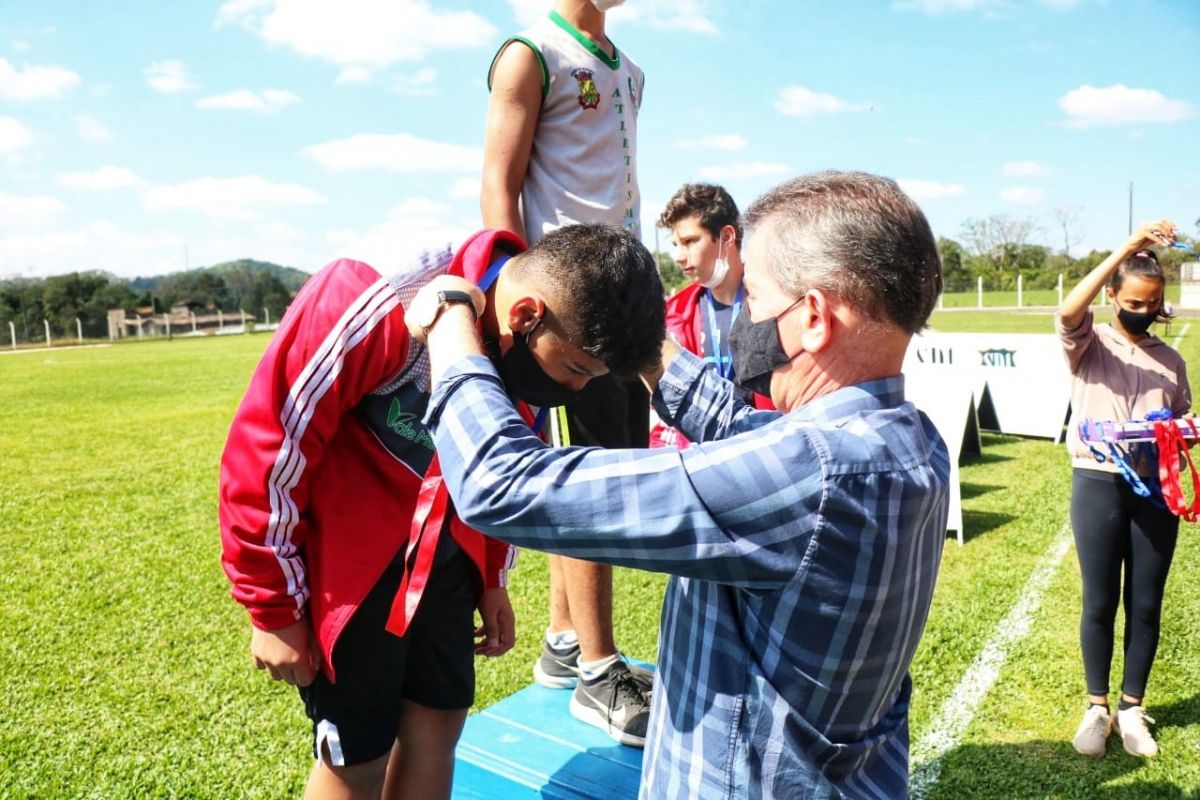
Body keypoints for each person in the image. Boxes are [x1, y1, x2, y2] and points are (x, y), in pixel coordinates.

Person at [412, 170, 950, 798]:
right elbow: (740, 427)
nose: (744, 321)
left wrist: (452, 324)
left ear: (813, 318)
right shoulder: (906, 442)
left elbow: (502, 484)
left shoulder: (811, 477)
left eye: (755, 298)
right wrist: (641, 341)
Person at [218, 223, 664, 799]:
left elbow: (501, 465)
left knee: (438, 725)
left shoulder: (530, 345)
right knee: (357, 755)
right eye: (576, 370)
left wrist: (489, 577)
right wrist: (272, 608)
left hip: (447, 566)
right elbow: (270, 445)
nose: (574, 391)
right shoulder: (374, 290)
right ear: (525, 316)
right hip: (352, 574)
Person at [480, 0, 654, 745]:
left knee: (608, 474)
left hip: (620, 298)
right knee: (587, 486)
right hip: (561, 313)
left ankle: (562, 643)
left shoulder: (631, 69)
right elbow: (498, 180)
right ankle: (598, 668)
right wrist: (510, 285)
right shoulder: (530, 52)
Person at [1058, 220, 1190, 760]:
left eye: (1153, 302)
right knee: (1099, 600)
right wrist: (1126, 249)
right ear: (1113, 296)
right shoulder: (1089, 344)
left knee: (1145, 601)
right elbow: (1069, 311)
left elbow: (1181, 424)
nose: (1143, 309)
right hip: (1098, 483)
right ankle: (1097, 708)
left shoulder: (1171, 360)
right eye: (1133, 299)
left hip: (1154, 489)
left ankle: (1132, 709)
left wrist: (1183, 429)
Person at [652, 183, 773, 448]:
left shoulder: (778, 304)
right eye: (675, 244)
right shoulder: (673, 313)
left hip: (764, 448)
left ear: (727, 237)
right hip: (701, 458)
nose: (678, 257)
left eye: (690, 241)